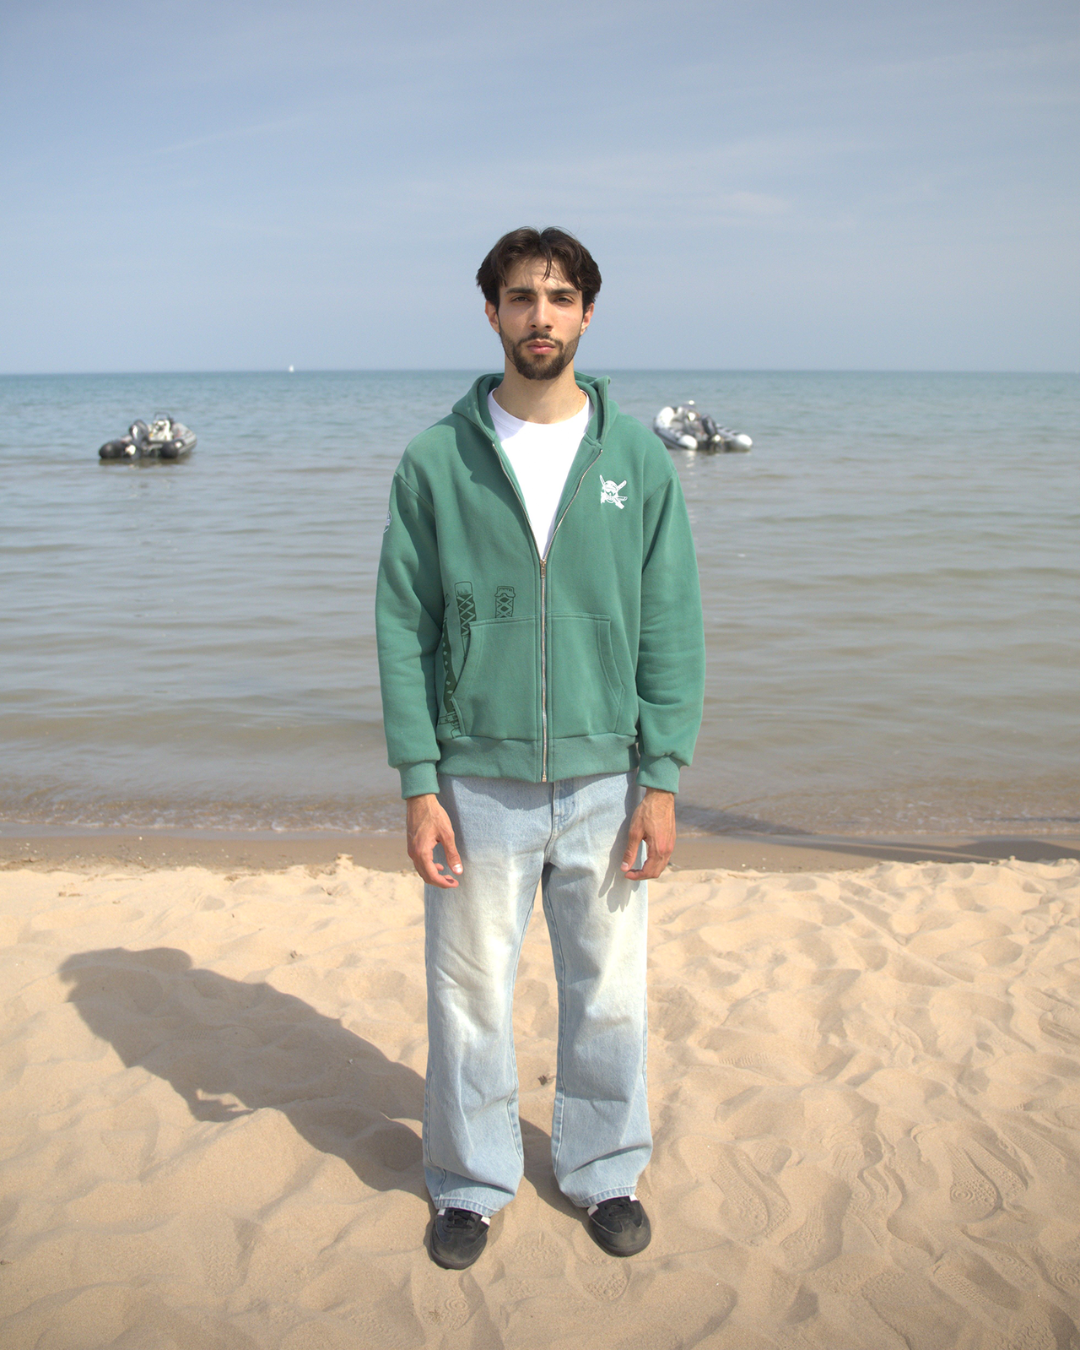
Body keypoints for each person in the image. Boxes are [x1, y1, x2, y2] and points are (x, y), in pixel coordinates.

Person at [376, 226, 705, 1269]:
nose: (541, 315)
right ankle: (471, 1181)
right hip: (476, 777)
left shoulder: (636, 458)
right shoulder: (437, 460)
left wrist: (662, 777)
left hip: (608, 777)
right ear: (492, 313)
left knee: (607, 991)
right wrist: (419, 782)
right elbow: (404, 627)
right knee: (468, 992)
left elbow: (671, 622)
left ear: (588, 315)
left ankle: (603, 1169)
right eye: (521, 296)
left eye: (561, 297)